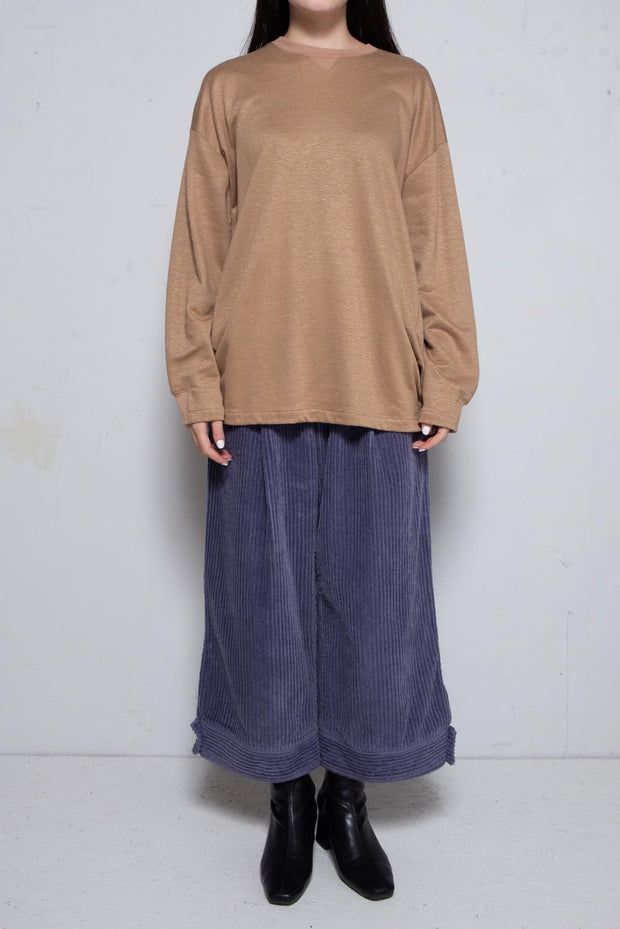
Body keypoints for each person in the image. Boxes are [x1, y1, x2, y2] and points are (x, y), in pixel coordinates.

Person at [164, 0, 479, 907]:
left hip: (380, 379)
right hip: (255, 380)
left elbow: (434, 241)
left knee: (378, 606)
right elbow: (200, 245)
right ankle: (287, 802)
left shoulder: (405, 87)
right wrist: (197, 380)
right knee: (262, 604)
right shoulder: (231, 87)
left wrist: (447, 374)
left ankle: (347, 800)